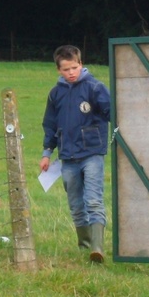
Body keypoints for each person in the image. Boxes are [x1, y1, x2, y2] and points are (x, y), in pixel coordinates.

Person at [39, 45, 112, 263]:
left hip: (92, 154)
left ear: (81, 64)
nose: (71, 72)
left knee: (93, 200)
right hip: (68, 158)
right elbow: (50, 125)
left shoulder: (95, 88)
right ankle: (84, 245)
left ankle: (98, 247)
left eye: (74, 67)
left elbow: (113, 113)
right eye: (66, 69)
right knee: (76, 205)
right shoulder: (55, 94)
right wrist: (46, 152)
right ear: (58, 70)